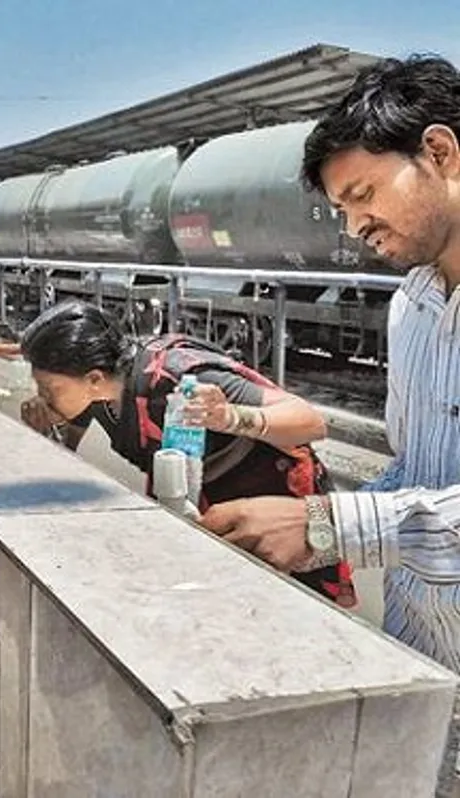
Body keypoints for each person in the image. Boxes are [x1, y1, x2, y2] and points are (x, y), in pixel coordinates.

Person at [202, 56, 460, 678]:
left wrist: (329, 525)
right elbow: (419, 471)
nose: (354, 227)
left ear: (441, 153)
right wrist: (306, 529)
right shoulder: (413, 308)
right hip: (425, 645)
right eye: (342, 210)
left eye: (362, 195)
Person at [19, 300, 356, 607]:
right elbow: (73, 431)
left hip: (280, 504)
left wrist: (232, 418)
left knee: (308, 609)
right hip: (215, 503)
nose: (42, 397)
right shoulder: (101, 395)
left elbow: (310, 422)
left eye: (50, 390)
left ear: (93, 379)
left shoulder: (181, 379)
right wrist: (50, 429)